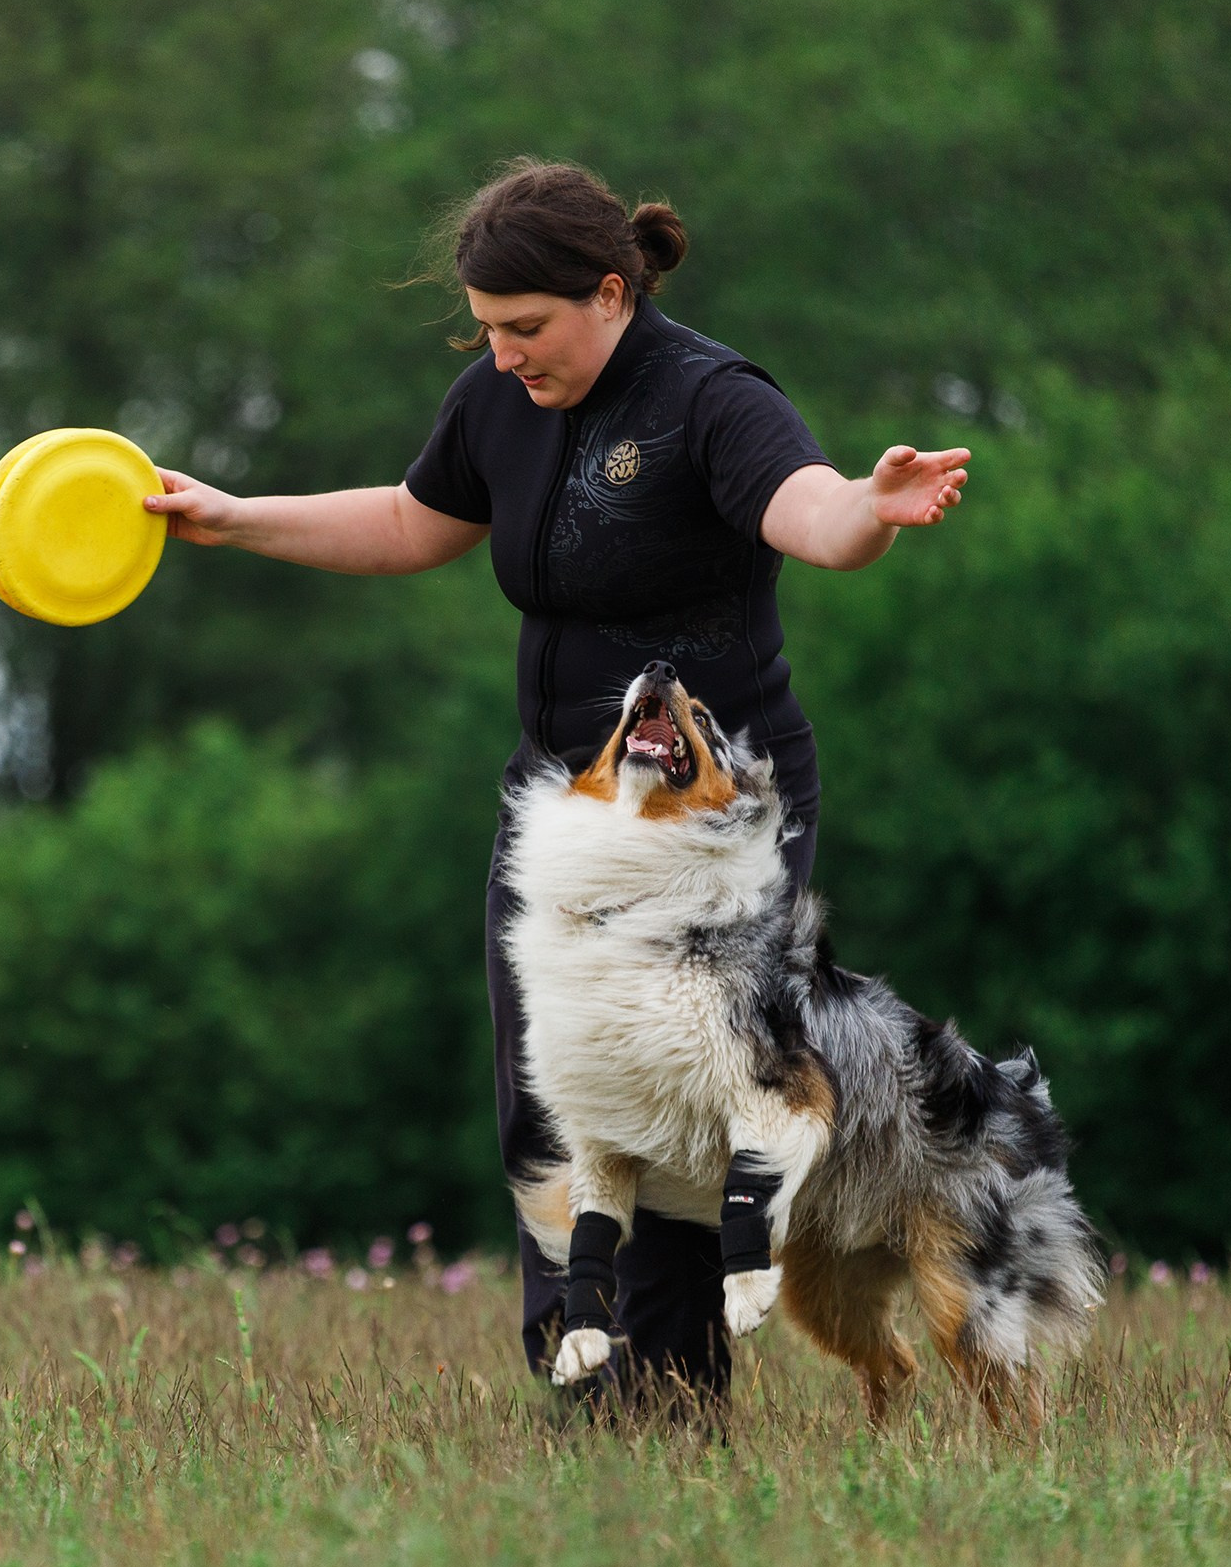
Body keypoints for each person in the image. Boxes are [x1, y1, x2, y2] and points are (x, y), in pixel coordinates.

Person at [143, 158, 968, 1403]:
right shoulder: (496, 399)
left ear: (607, 292)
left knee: (688, 1097)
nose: (505, 357)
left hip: (711, 822)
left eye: (525, 330)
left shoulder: (710, 400)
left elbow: (810, 516)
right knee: (553, 1097)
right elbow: (417, 522)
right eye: (484, 333)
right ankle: (585, 1388)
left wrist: (870, 506)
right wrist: (237, 515)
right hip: (568, 820)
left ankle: (673, 1396)